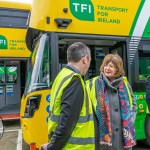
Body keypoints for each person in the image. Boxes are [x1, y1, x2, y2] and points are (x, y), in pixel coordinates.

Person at [40, 42, 99, 150]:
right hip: (75, 147)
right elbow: (66, 123)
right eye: (89, 60)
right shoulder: (74, 80)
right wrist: (52, 147)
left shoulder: (62, 75)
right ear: (85, 59)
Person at [86, 54, 137, 150]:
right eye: (105, 65)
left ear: (118, 69)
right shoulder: (94, 84)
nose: (107, 68)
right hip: (102, 137)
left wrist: (128, 122)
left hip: (123, 137)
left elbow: (133, 105)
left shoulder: (125, 84)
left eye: (111, 66)